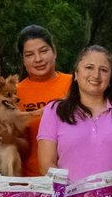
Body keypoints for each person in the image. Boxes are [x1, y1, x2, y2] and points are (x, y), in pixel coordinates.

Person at [37, 45, 112, 181]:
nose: (96, 75)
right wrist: (73, 190)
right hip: (67, 194)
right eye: (89, 67)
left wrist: (105, 186)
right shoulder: (54, 110)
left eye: (103, 70)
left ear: (110, 79)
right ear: (76, 74)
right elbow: (45, 164)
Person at [14, 25, 72, 175]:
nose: (38, 59)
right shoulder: (15, 94)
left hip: (72, 178)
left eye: (43, 51)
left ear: (54, 51)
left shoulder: (75, 85)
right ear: (23, 60)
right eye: (29, 55)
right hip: (30, 181)